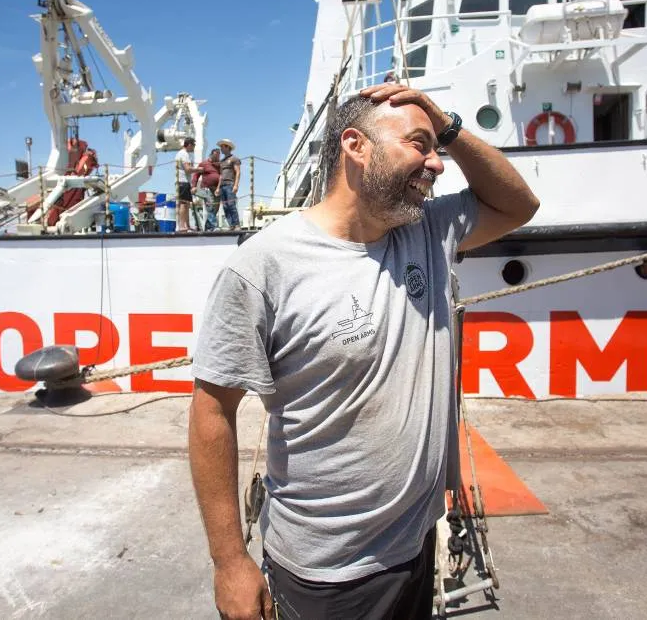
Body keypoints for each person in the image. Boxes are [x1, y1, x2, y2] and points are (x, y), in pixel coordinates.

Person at [188, 82, 540, 620]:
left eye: (436, 148)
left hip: (416, 545)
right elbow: (212, 411)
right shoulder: (264, 267)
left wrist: (447, 126)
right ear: (355, 146)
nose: (437, 163)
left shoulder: (426, 230)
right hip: (325, 572)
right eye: (419, 144)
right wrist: (229, 561)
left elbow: (519, 204)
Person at [192, 148, 222, 231]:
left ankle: (208, 228)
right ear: (211, 155)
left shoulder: (219, 165)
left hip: (216, 189)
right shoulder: (204, 164)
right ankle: (214, 226)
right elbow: (196, 175)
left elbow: (221, 176)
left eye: (218, 156)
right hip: (206, 188)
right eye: (216, 156)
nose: (217, 158)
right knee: (210, 207)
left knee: (215, 209)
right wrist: (194, 186)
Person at [216, 138, 241, 229]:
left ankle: (237, 224)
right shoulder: (222, 161)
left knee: (231, 204)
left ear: (227, 147)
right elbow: (221, 175)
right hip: (222, 186)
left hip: (230, 184)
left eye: (222, 147)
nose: (221, 149)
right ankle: (231, 225)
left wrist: (236, 185)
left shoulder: (234, 159)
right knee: (225, 206)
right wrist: (218, 188)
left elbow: (238, 172)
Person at [175, 137, 196, 232]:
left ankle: (187, 225)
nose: (194, 148)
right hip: (182, 181)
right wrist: (200, 169)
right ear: (190, 144)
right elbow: (188, 169)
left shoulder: (183, 154)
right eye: (194, 145)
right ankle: (182, 225)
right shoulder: (184, 154)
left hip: (185, 182)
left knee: (187, 204)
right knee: (183, 203)